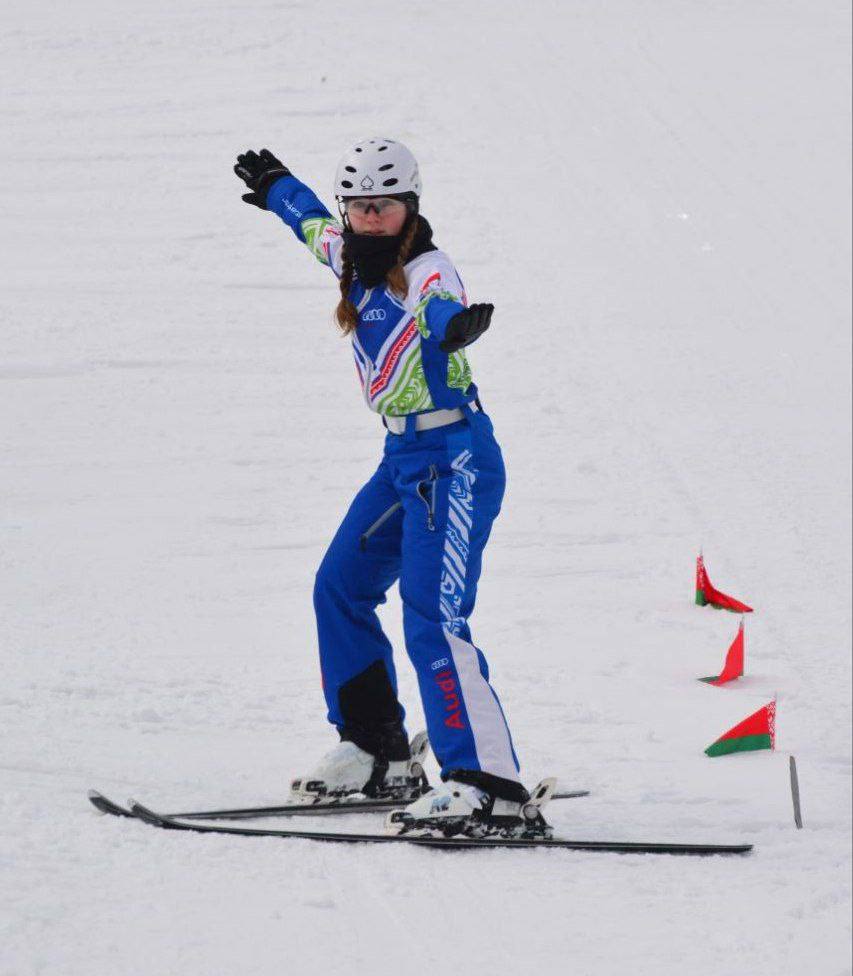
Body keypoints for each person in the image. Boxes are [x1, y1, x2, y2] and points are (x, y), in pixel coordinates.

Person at [234, 138, 548, 838]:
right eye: (361, 207)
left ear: (410, 208)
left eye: (384, 206)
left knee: (432, 616)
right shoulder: (348, 255)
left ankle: (488, 785)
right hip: (400, 457)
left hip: (454, 459)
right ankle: (376, 750)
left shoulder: (429, 269)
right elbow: (311, 224)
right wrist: (279, 186)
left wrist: (454, 330)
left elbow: (440, 305)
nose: (369, 218)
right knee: (339, 586)